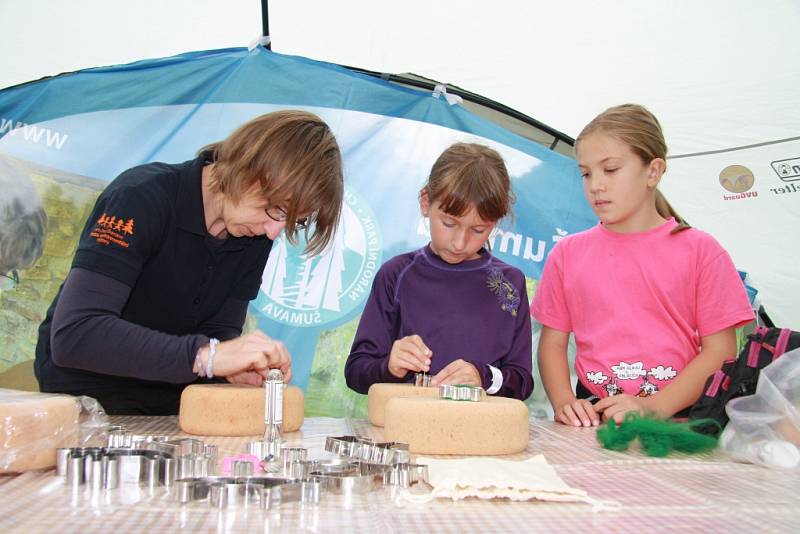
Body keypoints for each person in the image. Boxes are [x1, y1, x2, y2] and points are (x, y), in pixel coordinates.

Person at [34, 110, 344, 414]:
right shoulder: (141, 197)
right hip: (87, 400)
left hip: (171, 405)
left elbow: (219, 330)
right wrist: (207, 357)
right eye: (276, 208)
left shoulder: (254, 233)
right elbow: (75, 334)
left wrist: (230, 367)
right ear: (246, 168)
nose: (273, 231)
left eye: (293, 222)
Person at [532, 104, 754, 426]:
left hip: (678, 420)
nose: (595, 184)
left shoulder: (701, 250)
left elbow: (721, 350)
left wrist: (653, 408)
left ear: (653, 171)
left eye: (610, 170)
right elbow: (552, 344)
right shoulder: (567, 254)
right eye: (586, 173)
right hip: (594, 418)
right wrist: (566, 404)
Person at [345, 142, 533, 400]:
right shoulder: (397, 274)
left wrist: (484, 376)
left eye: (478, 230)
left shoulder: (509, 284)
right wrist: (390, 365)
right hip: (407, 431)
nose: (459, 242)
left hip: (481, 434)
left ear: (496, 222)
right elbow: (356, 371)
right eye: (449, 223)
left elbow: (522, 382)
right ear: (426, 202)